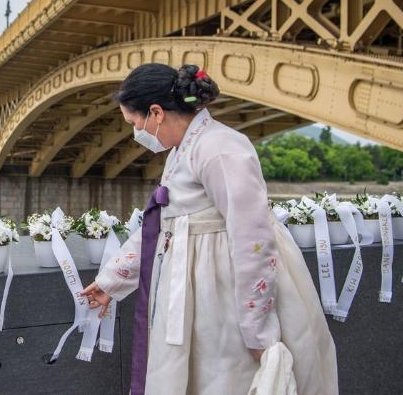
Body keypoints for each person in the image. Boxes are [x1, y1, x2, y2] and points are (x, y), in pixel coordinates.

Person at [80, 63, 338, 395]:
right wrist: (111, 281)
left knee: (227, 377)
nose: (135, 133)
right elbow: (166, 224)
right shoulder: (185, 149)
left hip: (223, 295)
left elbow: (252, 240)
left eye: (134, 123)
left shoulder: (220, 149)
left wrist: (257, 332)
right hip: (200, 294)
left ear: (156, 112)